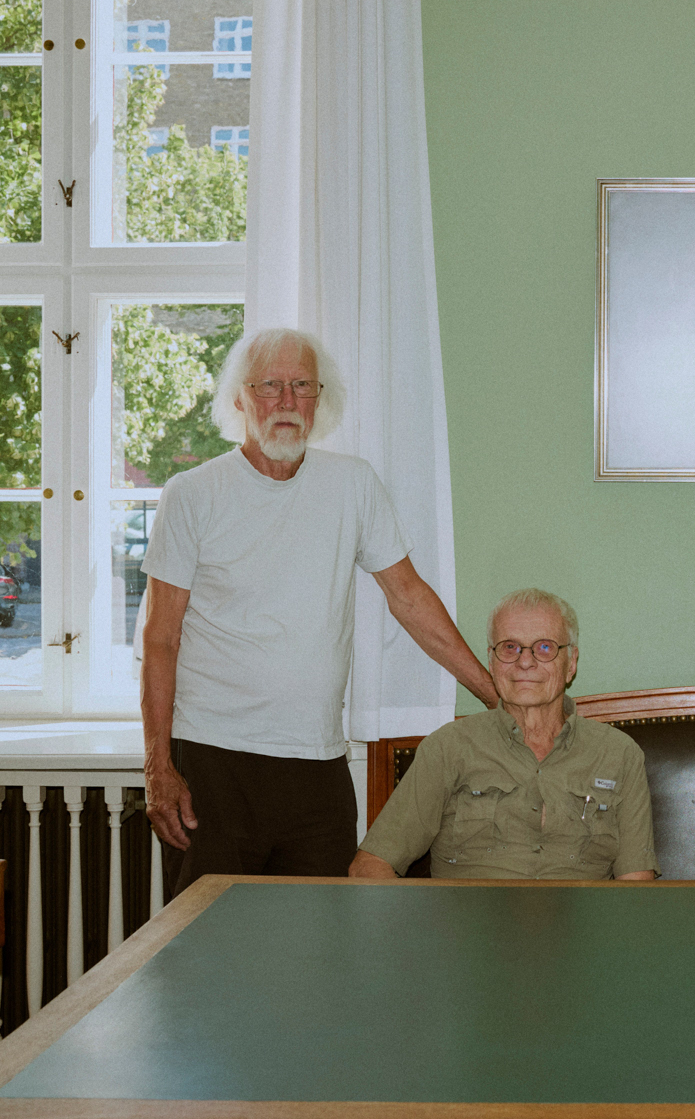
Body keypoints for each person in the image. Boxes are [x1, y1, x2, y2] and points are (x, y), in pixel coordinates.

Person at [139, 327, 499, 892]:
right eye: (269, 386)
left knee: (323, 935)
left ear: (319, 399)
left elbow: (409, 597)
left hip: (318, 763)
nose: (286, 401)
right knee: (209, 939)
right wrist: (157, 767)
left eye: (302, 386)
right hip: (213, 761)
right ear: (240, 399)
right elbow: (160, 638)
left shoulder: (352, 484)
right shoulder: (192, 493)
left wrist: (495, 696)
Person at [349, 588, 657, 880]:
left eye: (545, 647)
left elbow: (636, 886)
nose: (525, 661)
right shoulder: (448, 747)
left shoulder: (618, 754)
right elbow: (370, 866)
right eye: (510, 647)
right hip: (468, 918)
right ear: (492, 662)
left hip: (583, 917)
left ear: (571, 663)